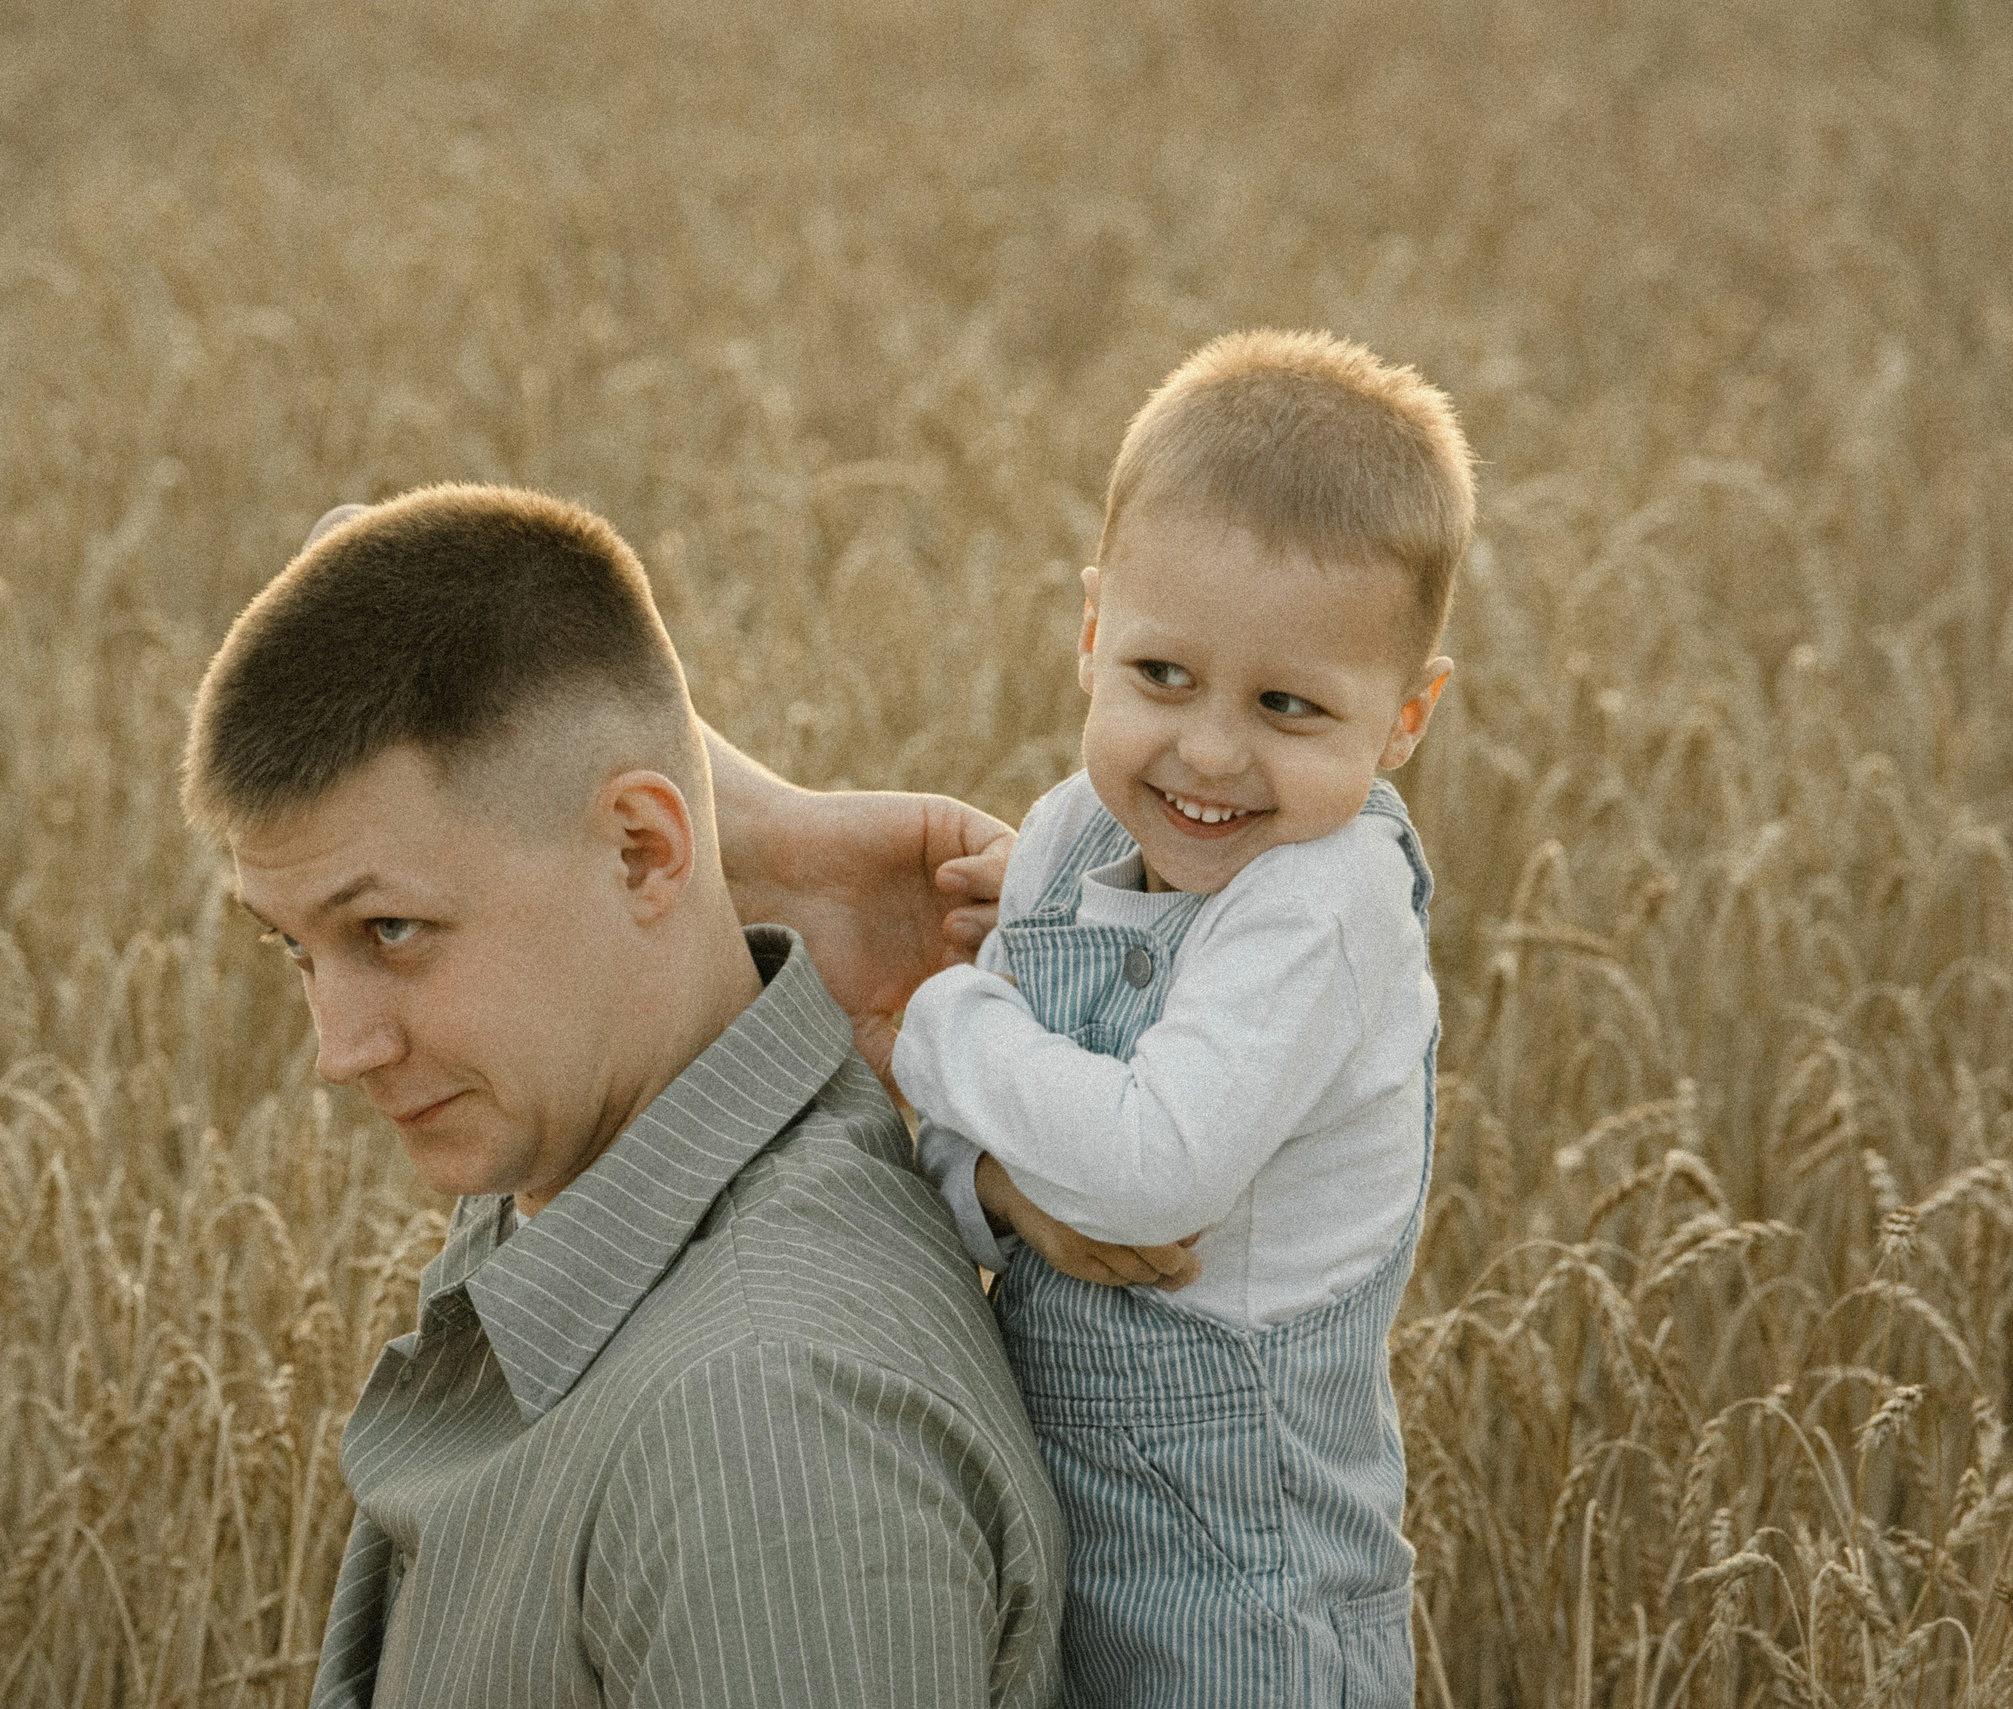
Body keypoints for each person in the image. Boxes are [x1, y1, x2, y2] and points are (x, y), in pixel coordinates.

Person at [182, 484, 1067, 1708]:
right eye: (294, 947)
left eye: (389, 929)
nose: (340, 1047)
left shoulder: (765, 1434)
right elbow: (376, 553)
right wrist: (774, 836)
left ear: (642, 850)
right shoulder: (587, 1130)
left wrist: (721, 827)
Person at [893, 329, 1474, 1706]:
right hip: (1062, 1544)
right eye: (1162, 676)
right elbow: (972, 1171)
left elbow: (1157, 1170)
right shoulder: (1062, 842)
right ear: (1092, 627)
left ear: (1404, 717)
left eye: (1287, 706)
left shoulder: (1323, 903)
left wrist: (935, 1023)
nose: (1210, 752)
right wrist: (988, 1183)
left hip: (1256, 1605)